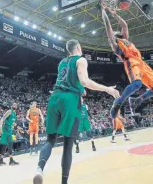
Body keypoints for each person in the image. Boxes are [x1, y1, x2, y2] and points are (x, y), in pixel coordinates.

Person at [33, 39, 119, 184]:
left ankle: (39, 169)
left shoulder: (62, 63)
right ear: (78, 47)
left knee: (50, 140)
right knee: (68, 143)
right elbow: (84, 81)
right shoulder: (81, 60)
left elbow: (69, 81)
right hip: (70, 101)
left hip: (54, 98)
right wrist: (107, 89)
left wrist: (80, 88)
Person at [101, 2, 153, 118]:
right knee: (137, 84)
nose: (116, 31)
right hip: (131, 62)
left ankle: (136, 100)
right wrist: (104, 12)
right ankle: (118, 102)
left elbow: (124, 26)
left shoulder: (125, 39)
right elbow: (108, 27)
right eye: (114, 32)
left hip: (142, 63)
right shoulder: (114, 43)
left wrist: (115, 14)